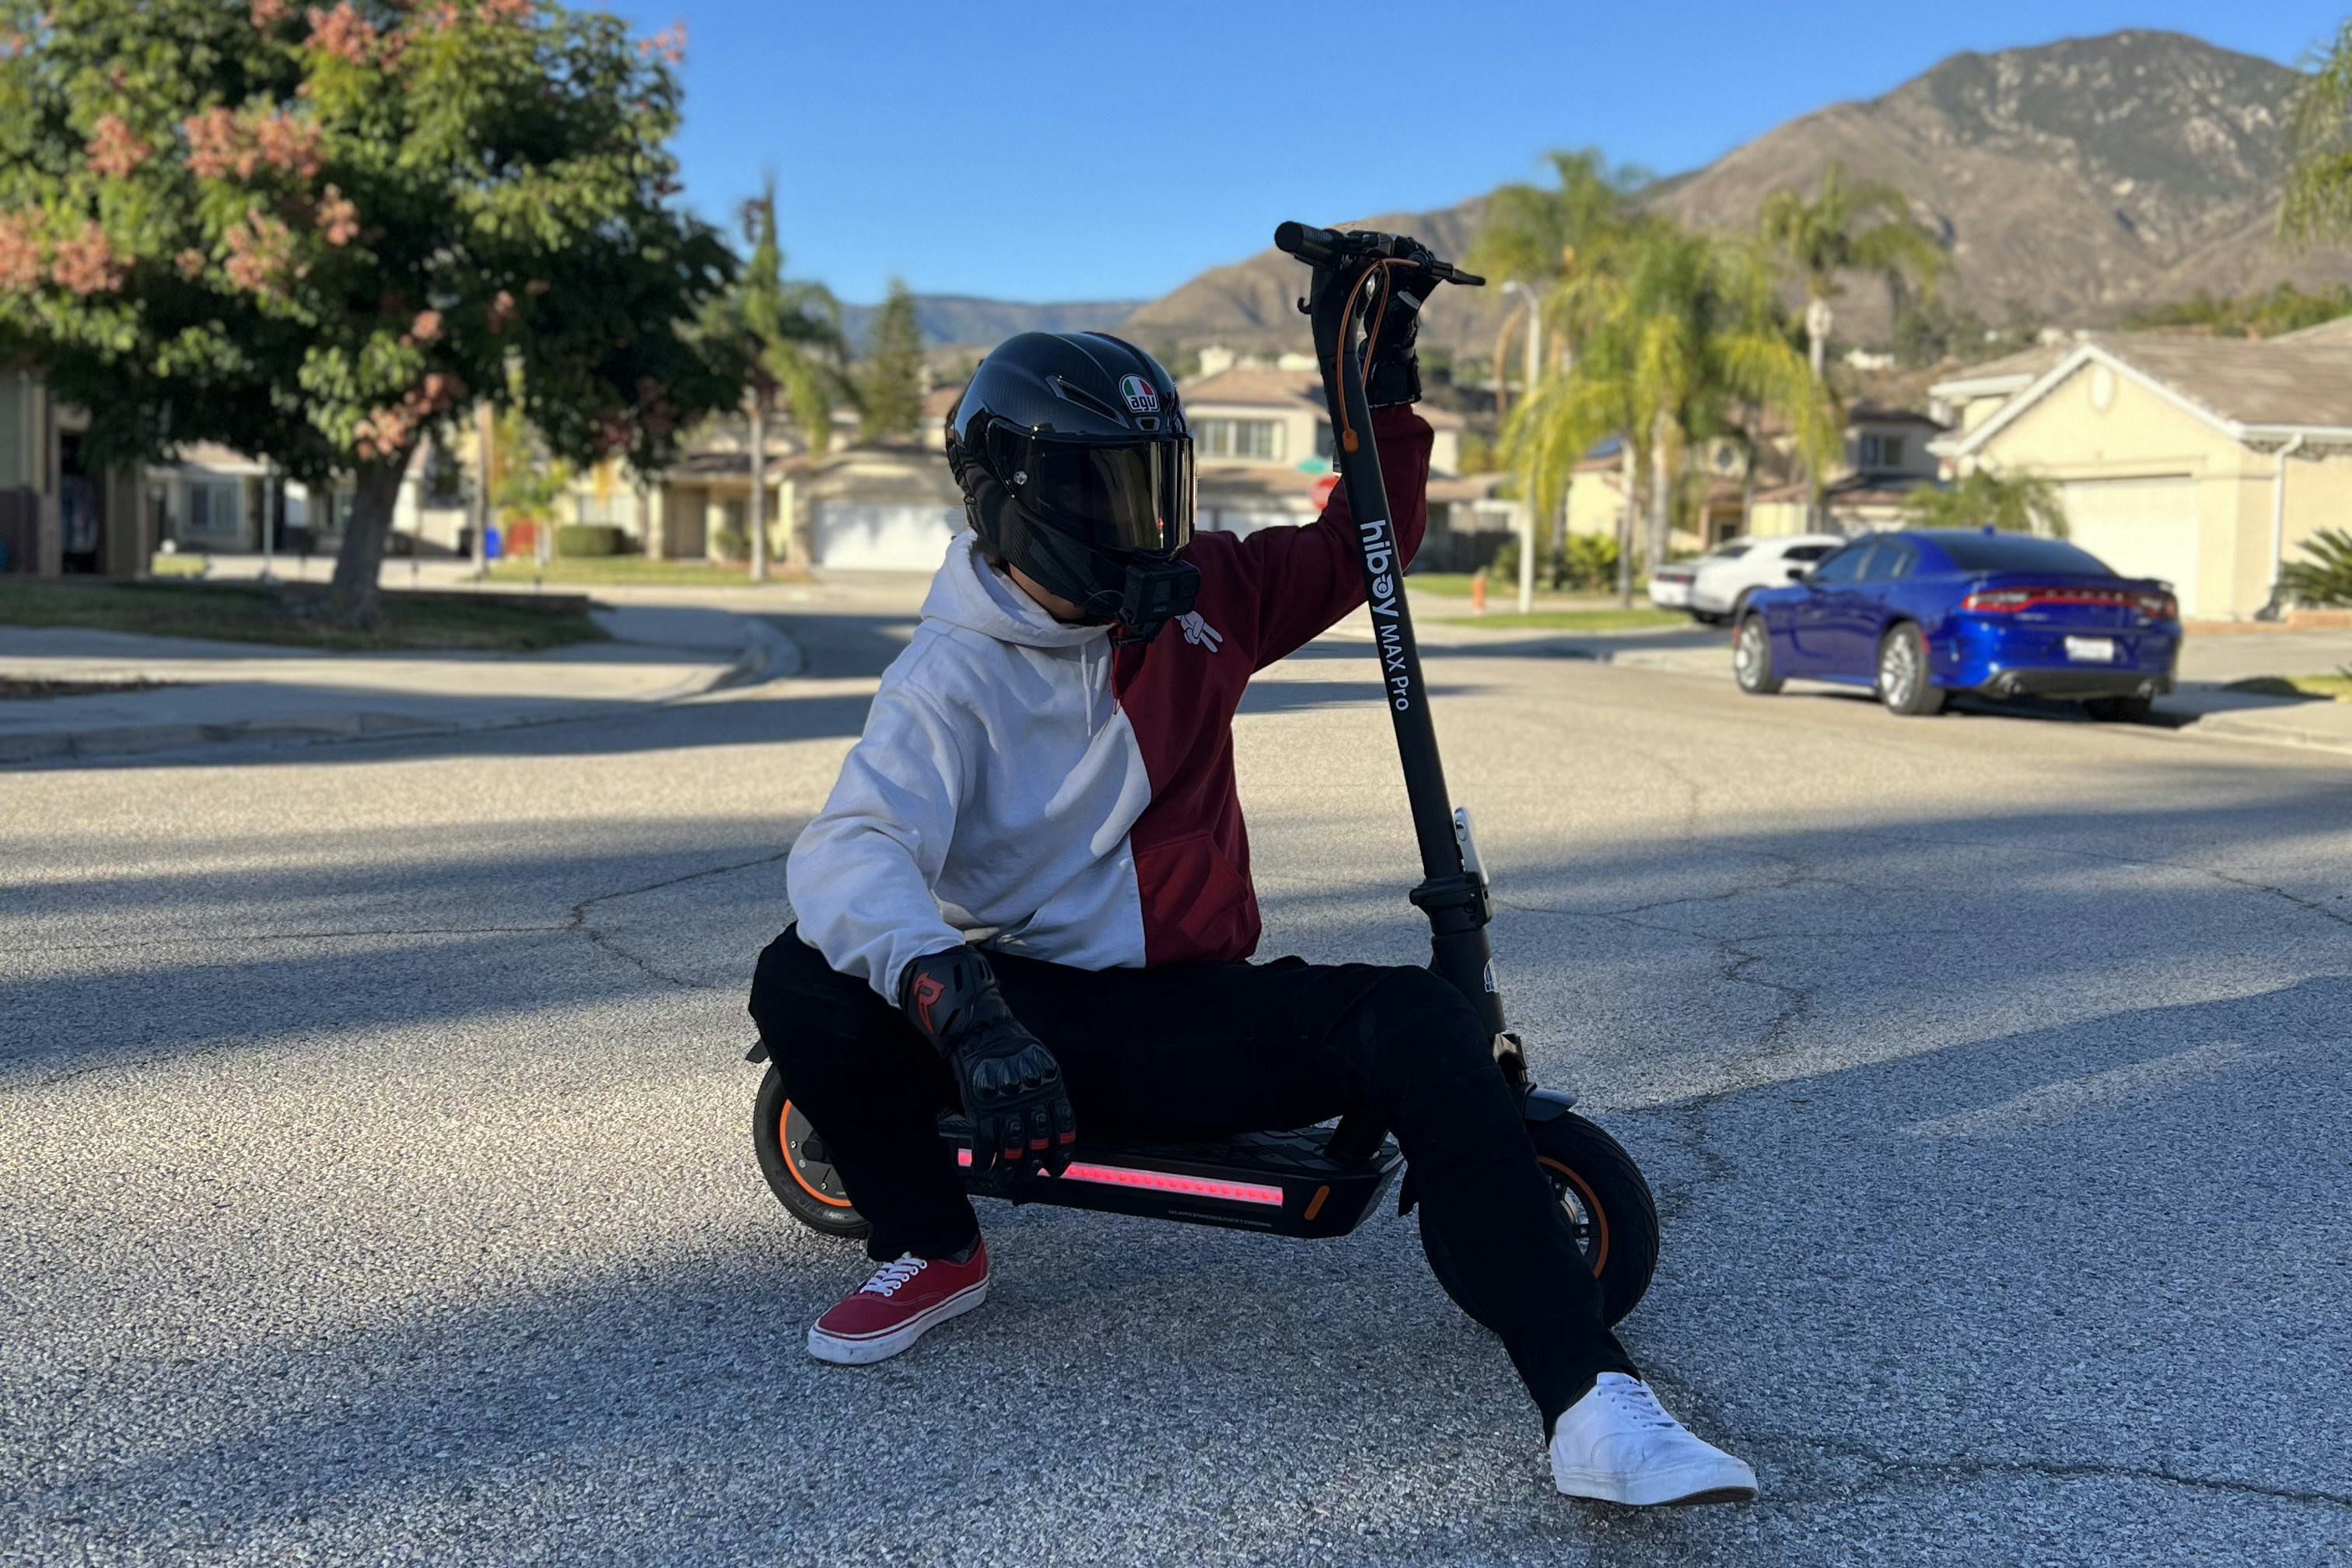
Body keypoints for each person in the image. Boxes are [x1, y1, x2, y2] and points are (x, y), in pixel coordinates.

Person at [750, 285, 1758, 1507]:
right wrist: (958, 1004)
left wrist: (1381, 398)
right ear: (1014, 499)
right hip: (1031, 1020)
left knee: (1419, 1021)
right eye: (1104, 493)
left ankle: (1593, 1406)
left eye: (1154, 488)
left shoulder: (1205, 595)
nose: (1144, 528)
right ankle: (930, 1242)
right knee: (799, 972)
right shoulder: (947, 677)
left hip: (1187, 1015)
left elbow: (1359, 548)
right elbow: (851, 848)